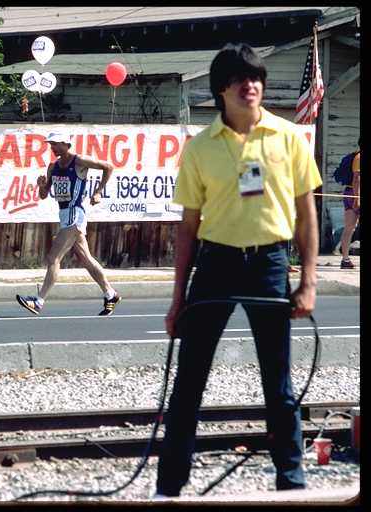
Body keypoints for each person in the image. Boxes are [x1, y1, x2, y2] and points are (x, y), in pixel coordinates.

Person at [154, 43, 322, 498]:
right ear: (221, 89)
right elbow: (187, 228)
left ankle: (291, 478)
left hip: (269, 262)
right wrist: (177, 299)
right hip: (216, 263)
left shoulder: (289, 137)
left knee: (278, 381)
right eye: (238, 79)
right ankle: (169, 484)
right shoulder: (200, 148)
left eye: (255, 77)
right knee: (189, 380)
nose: (250, 85)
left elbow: (307, 216)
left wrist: (308, 282)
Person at [16, 132, 121, 316]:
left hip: (75, 213)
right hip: (64, 214)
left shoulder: (79, 161)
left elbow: (109, 167)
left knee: (53, 258)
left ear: (66, 144)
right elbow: (44, 194)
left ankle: (38, 302)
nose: (52, 148)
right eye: (51, 145)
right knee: (86, 259)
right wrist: (42, 186)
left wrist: (98, 192)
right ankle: (110, 293)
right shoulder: (53, 167)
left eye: (55, 144)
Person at [340, 138, 360, 269]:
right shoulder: (359, 157)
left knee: (349, 228)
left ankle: (345, 259)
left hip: (349, 192)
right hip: (355, 193)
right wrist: (357, 198)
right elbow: (357, 178)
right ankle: (345, 259)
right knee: (349, 228)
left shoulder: (355, 155)